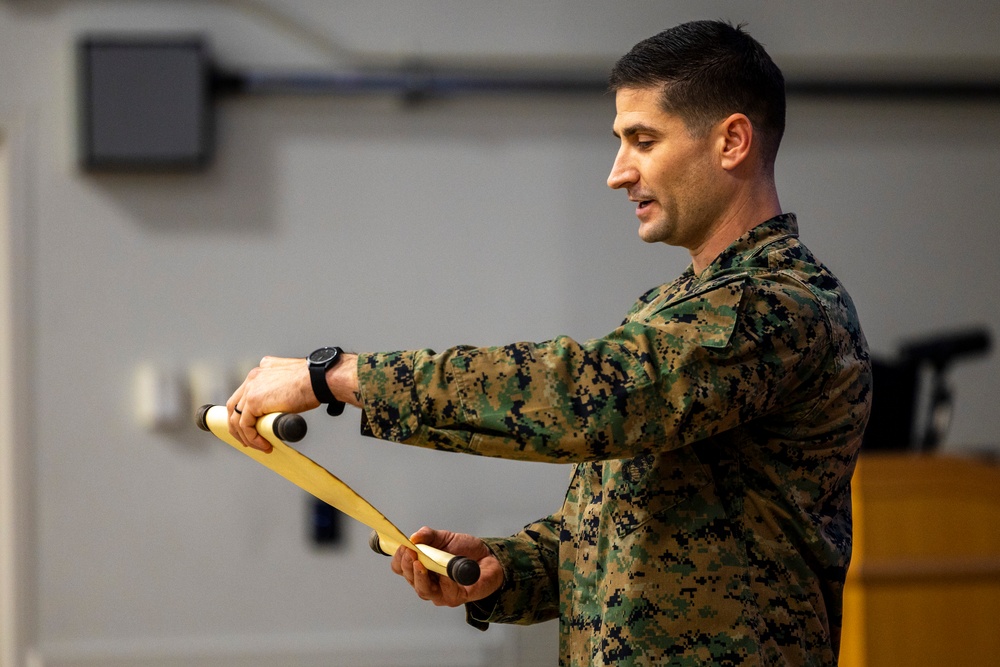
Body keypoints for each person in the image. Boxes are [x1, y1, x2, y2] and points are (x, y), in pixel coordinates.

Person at [228, 19, 871, 666]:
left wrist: (340, 376)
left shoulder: (781, 306)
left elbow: (586, 397)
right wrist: (508, 567)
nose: (618, 173)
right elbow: (642, 518)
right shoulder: (676, 308)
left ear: (732, 141)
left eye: (642, 140)